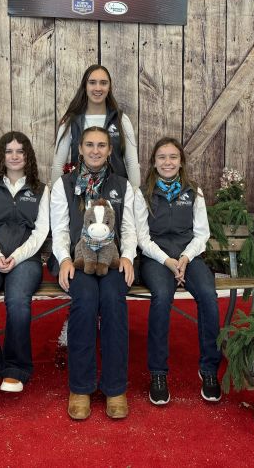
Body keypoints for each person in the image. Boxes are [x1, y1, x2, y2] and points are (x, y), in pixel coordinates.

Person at [50, 126, 137, 420]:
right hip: (77, 260)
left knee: (113, 299)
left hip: (111, 259)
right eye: (90, 144)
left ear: (110, 150)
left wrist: (126, 257)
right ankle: (81, 387)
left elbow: (129, 229)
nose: (96, 150)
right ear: (81, 149)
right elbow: (60, 230)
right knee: (85, 300)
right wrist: (63, 259)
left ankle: (115, 388)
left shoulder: (122, 186)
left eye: (102, 145)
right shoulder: (64, 185)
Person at [134, 137, 222, 405]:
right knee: (162, 296)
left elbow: (202, 234)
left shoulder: (194, 192)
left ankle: (209, 369)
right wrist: (167, 261)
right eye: (162, 157)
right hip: (156, 258)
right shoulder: (142, 193)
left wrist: (184, 258)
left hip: (188, 256)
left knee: (208, 295)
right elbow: (141, 237)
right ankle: (158, 373)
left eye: (173, 157)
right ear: (153, 162)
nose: (168, 162)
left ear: (181, 161)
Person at [0, 131, 50, 392]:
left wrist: (16, 257)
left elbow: (41, 231)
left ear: (28, 156)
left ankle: (16, 368)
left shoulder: (40, 190)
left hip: (25, 260)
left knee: (18, 304)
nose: (14, 156)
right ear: (1, 156)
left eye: (20, 151)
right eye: (9, 151)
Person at [51, 64, 140, 187]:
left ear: (109, 87)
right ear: (85, 86)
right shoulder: (70, 121)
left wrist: (135, 194)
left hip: (115, 195)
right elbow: (58, 164)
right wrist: (57, 196)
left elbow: (131, 162)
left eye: (103, 83)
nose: (98, 88)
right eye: (92, 82)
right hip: (79, 195)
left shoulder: (121, 120)